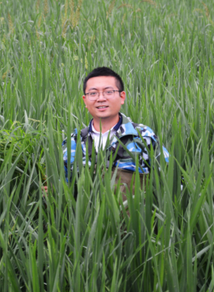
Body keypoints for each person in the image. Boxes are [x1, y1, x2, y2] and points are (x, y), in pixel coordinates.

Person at [62, 67, 169, 199]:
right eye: (93, 93)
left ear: (122, 97)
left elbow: (172, 183)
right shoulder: (74, 143)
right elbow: (64, 192)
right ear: (85, 100)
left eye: (108, 92)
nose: (101, 98)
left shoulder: (143, 137)